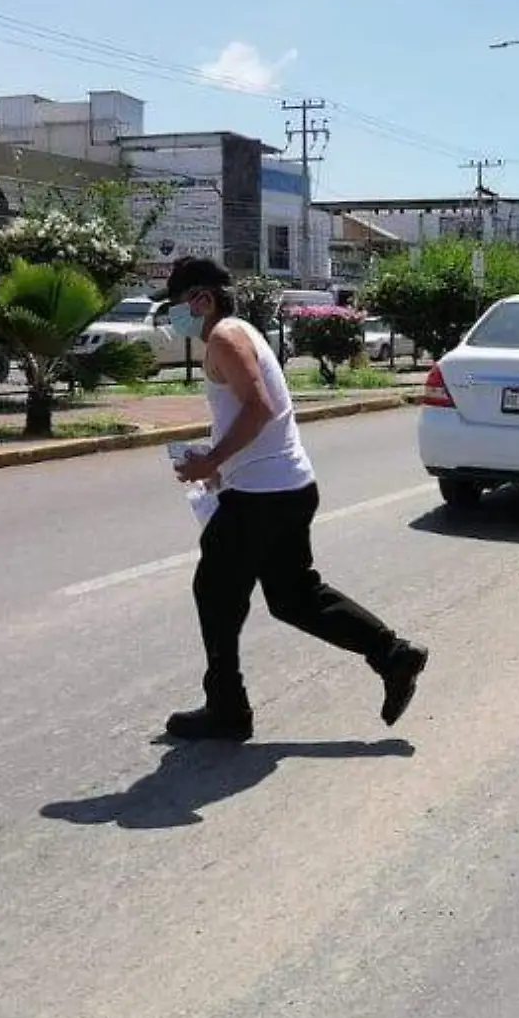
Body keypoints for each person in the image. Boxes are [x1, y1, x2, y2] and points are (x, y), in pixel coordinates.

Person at [156, 256, 428, 742]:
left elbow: (260, 407)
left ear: (202, 299)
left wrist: (211, 459)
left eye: (176, 306)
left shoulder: (224, 337)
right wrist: (218, 462)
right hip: (286, 487)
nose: (174, 317)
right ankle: (393, 655)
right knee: (293, 596)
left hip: (261, 497)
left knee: (215, 594)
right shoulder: (244, 332)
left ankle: (227, 709)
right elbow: (256, 412)